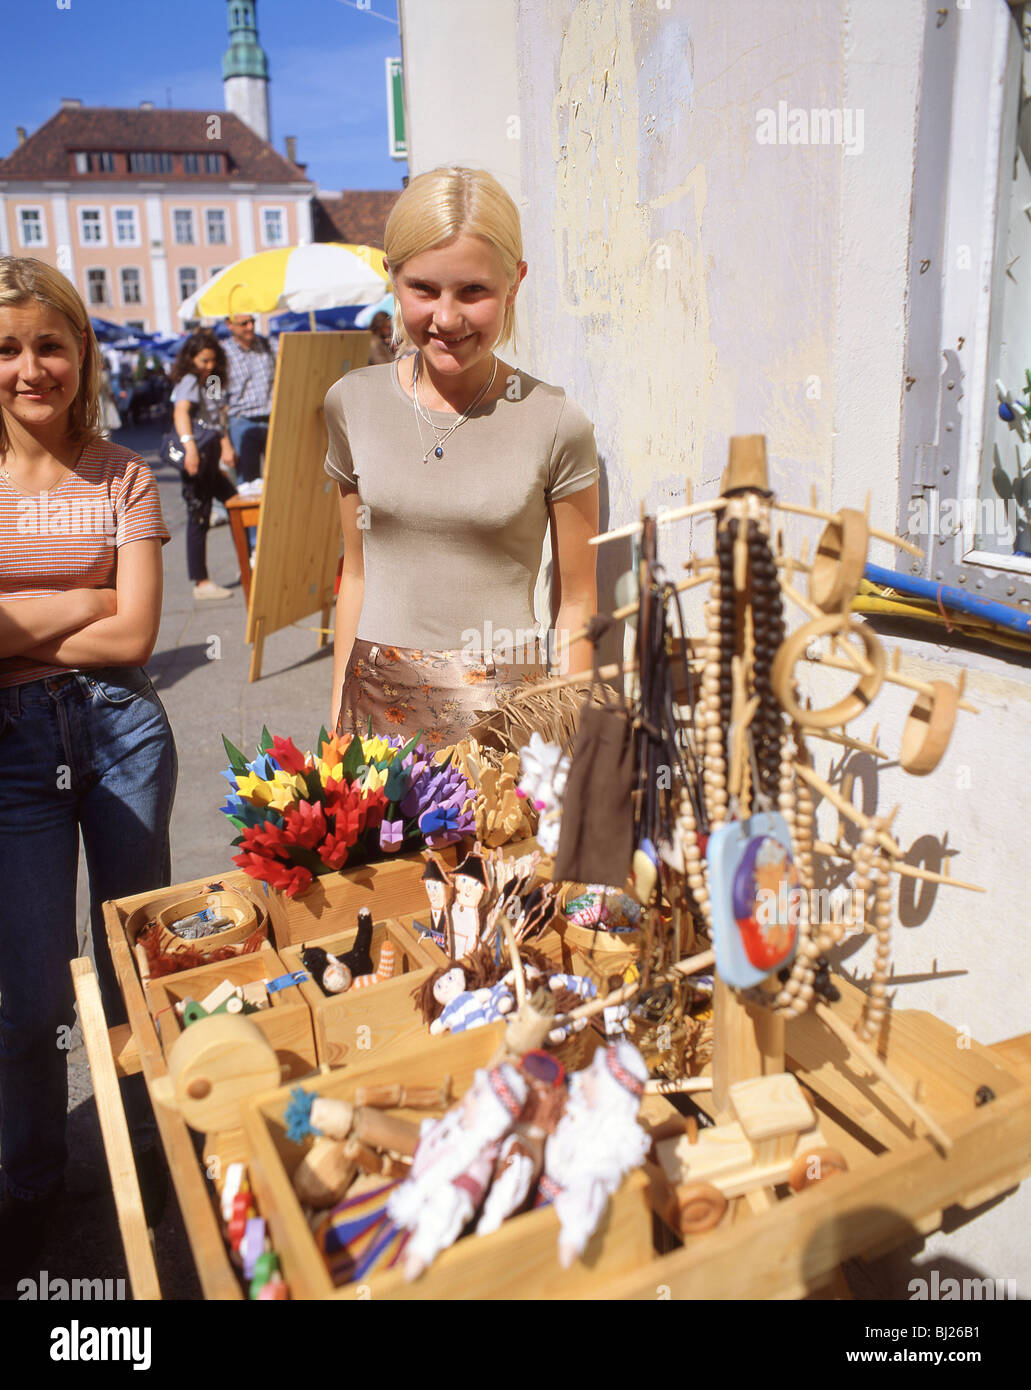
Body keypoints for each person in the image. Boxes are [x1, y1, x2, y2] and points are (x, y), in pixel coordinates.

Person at [0, 255, 177, 1279]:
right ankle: (29, 1179)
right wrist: (87, 598)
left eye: (51, 345)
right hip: (11, 749)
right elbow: (109, 614)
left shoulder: (125, 473)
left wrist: (24, 625)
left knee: (135, 967)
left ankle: (149, 1155)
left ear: (82, 354)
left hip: (119, 731)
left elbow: (139, 633)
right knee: (27, 995)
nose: (32, 367)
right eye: (10, 348)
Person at [324, 166, 600, 749]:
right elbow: (357, 572)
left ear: (515, 282)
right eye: (422, 289)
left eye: (474, 291)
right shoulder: (352, 402)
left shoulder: (555, 421)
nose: (445, 319)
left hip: (505, 722)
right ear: (391, 277)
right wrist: (336, 722)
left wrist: (571, 746)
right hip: (374, 723)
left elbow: (576, 599)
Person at [169, 330, 238, 600]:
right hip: (196, 456)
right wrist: (189, 447)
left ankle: (245, 561)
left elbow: (217, 417)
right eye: (203, 360)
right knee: (199, 515)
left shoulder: (210, 380)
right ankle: (201, 582)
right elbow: (180, 411)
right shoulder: (188, 380)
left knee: (233, 502)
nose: (209, 365)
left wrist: (226, 445)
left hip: (208, 455)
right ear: (191, 359)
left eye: (212, 360)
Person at [222, 313, 276, 486]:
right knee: (247, 485)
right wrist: (224, 444)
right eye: (244, 323)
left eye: (252, 321)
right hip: (241, 423)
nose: (250, 327)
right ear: (229, 324)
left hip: (272, 420)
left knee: (278, 480)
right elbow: (212, 401)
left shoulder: (269, 345)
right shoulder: (220, 354)